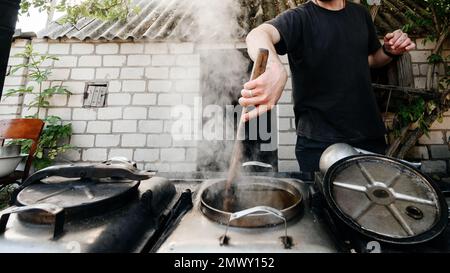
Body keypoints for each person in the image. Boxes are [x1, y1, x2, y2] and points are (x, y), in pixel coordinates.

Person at [239, 0, 416, 174]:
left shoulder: (360, 14)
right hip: (319, 142)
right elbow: (257, 35)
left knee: (371, 200)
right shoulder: (299, 17)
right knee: (323, 202)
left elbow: (370, 60)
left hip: (369, 135)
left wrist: (388, 51)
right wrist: (274, 66)